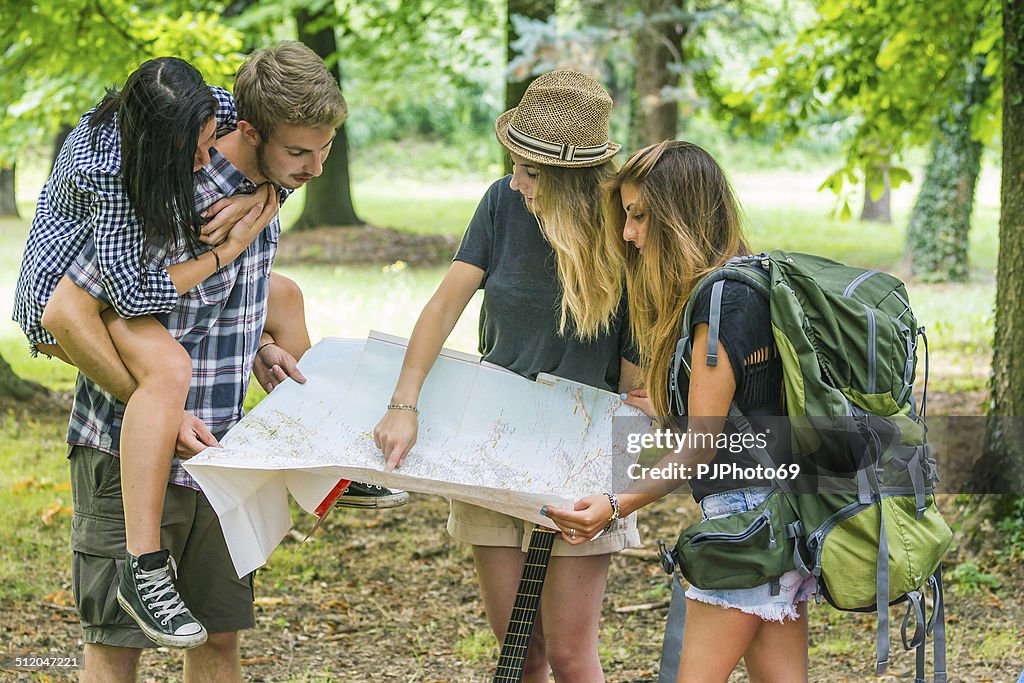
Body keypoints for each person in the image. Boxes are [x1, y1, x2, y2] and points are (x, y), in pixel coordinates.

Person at [37, 42, 346, 682]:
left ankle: (339, 458)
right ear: (250, 132)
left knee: (218, 640)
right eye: (298, 153)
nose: (315, 169)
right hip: (129, 446)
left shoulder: (272, 176)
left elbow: (220, 294)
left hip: (221, 451)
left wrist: (261, 343)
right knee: (116, 645)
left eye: (326, 150)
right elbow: (70, 311)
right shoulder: (165, 179)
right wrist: (163, 412)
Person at [373, 70, 640, 682]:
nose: (515, 180)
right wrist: (404, 402)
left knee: (571, 655)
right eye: (514, 163)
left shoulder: (624, 228)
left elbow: (636, 382)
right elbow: (444, 306)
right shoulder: (501, 203)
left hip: (581, 452)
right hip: (490, 437)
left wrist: (616, 476)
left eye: (531, 171)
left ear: (572, 180)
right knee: (521, 653)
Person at [13, 56, 282, 649]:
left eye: (210, 142)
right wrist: (226, 250)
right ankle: (144, 563)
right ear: (154, 142)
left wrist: (266, 190)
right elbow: (126, 293)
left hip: (128, 287)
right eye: (191, 150)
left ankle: (328, 455)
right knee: (167, 371)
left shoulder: (210, 106)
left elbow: (281, 142)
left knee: (285, 297)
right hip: (60, 292)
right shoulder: (108, 172)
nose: (204, 161)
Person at [544, 140, 816, 682]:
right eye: (626, 216)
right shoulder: (752, 280)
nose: (628, 233)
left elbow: (701, 447)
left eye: (640, 216)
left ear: (681, 215)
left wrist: (615, 504)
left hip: (744, 527)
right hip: (784, 517)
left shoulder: (720, 303)